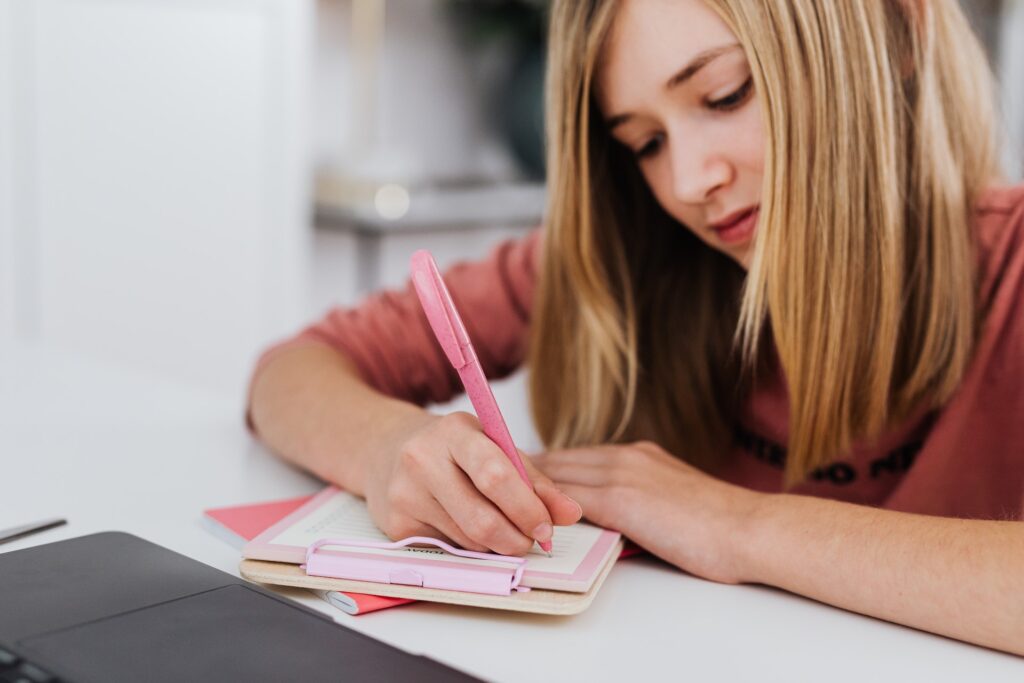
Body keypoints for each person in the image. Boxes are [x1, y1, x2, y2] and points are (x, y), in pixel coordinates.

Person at [248, 0, 1024, 655]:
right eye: (644, 143)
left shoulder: (1011, 264)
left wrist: (735, 524)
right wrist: (389, 450)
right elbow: (291, 371)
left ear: (899, 30)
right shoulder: (623, 260)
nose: (690, 183)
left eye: (725, 94)